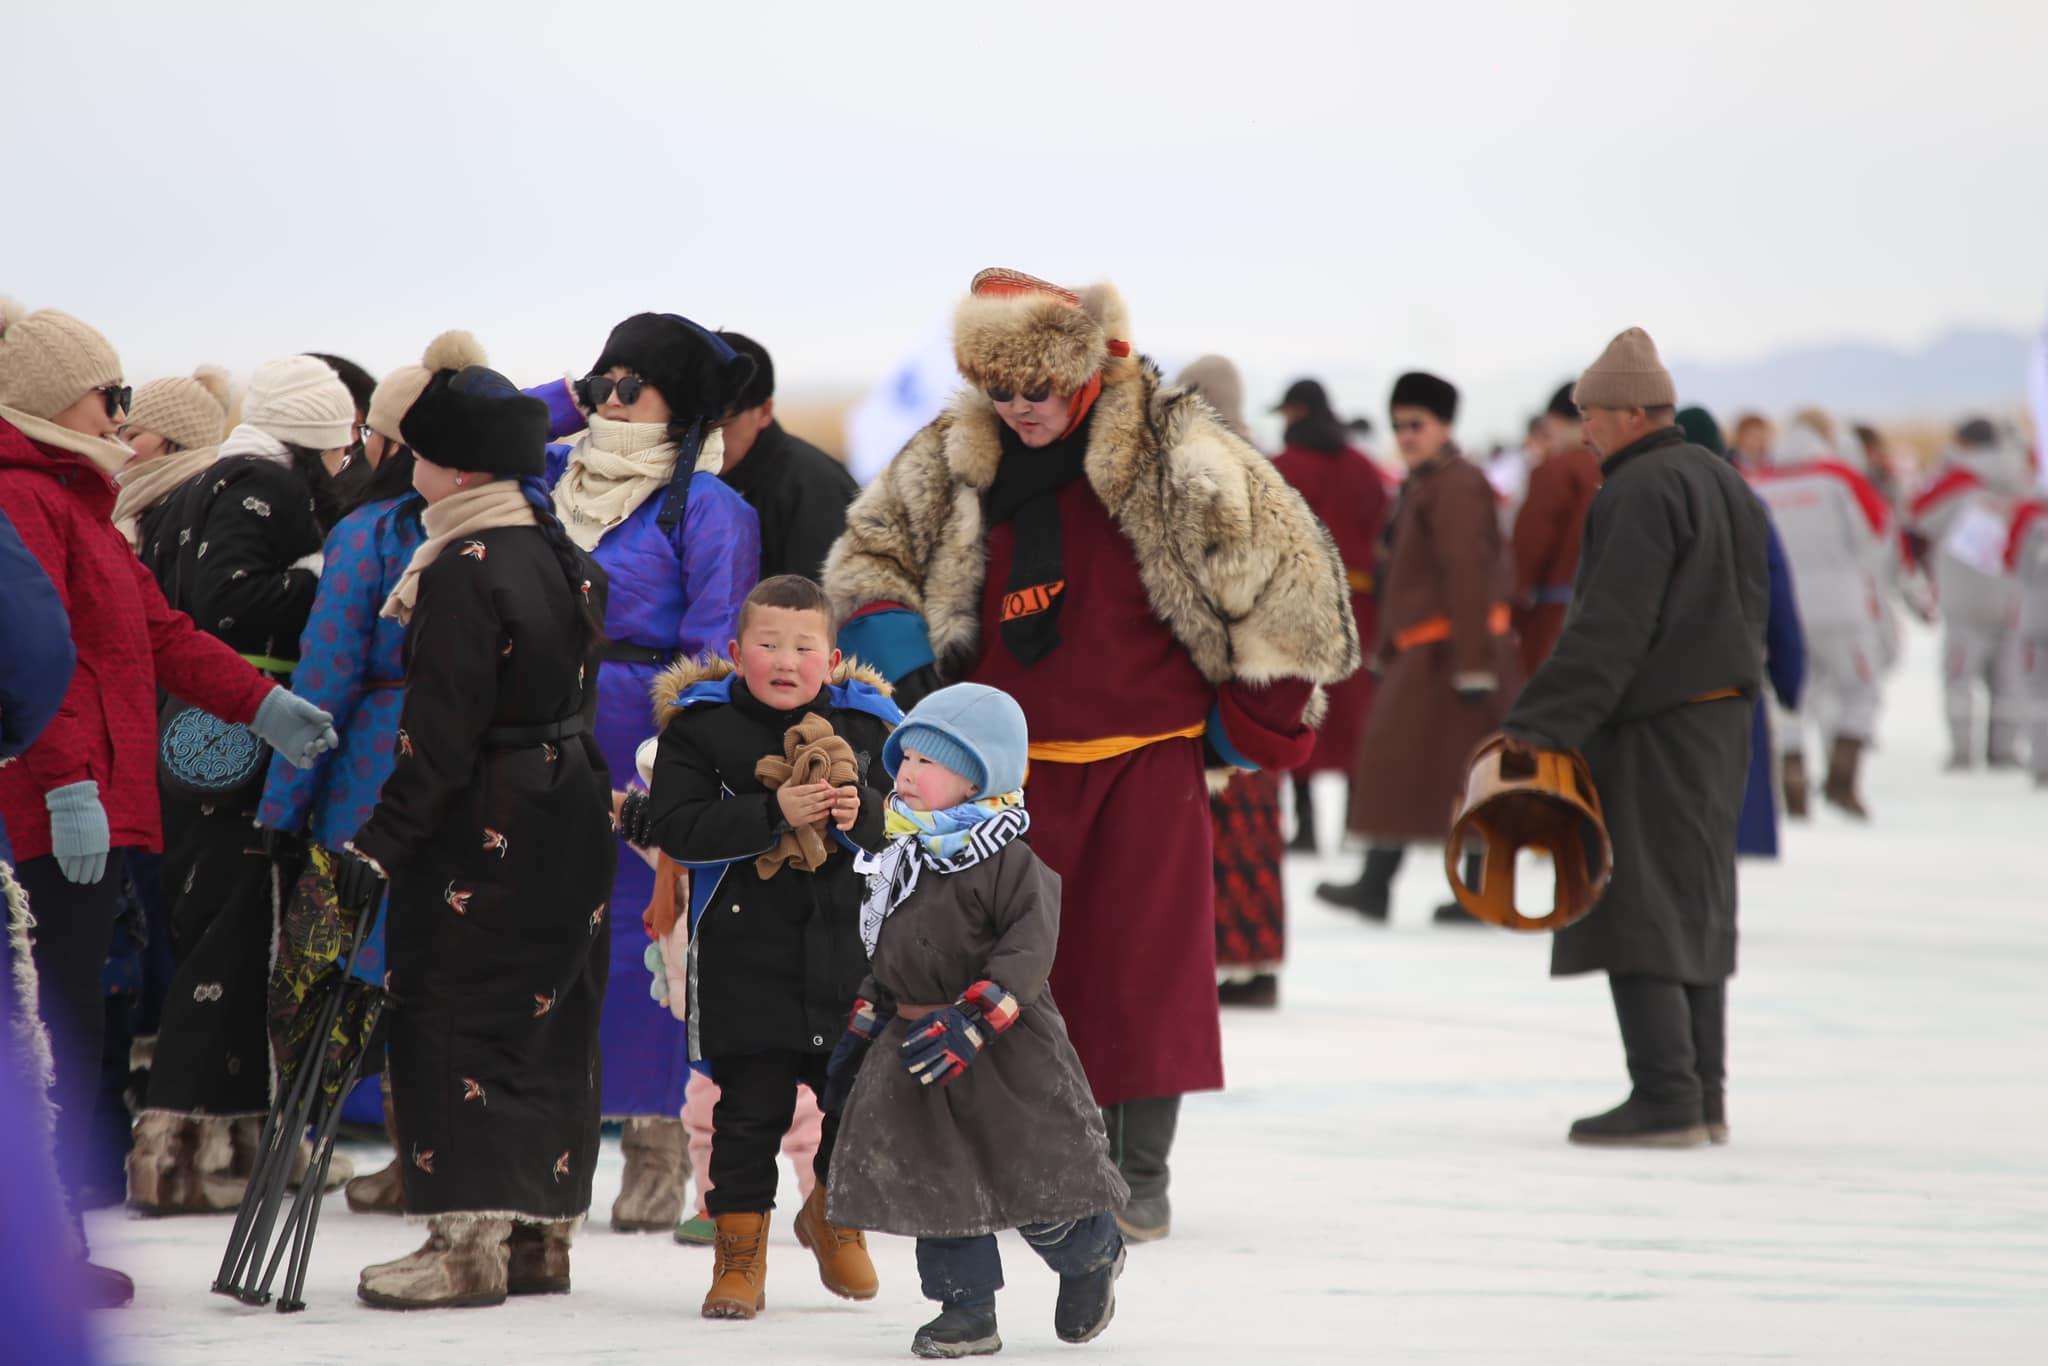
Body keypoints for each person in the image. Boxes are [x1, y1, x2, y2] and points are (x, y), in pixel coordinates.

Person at [826, 268, 1354, 1243]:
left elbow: (1292, 588)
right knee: (1015, 970)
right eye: (1000, 390)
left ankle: (1138, 1171)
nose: (1019, 409)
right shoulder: (950, 454)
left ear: (1079, 369)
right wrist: (917, 694)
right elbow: (870, 557)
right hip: (997, 776)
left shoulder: (1180, 452)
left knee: (1144, 971)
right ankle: (1041, 1163)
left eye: (1037, 389)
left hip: (1144, 758)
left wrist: (1246, 724)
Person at [0, 297, 336, 1305]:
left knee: (71, 1027)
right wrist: (64, 785)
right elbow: (28, 665)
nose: (121, 412)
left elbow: (161, 636)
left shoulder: (80, 507)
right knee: (42, 1028)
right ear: (56, 397)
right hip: (45, 814)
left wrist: (264, 702)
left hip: (99, 807)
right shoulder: (20, 500)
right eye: (110, 394)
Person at [330, 362, 613, 1310]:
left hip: (488, 810)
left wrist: (382, 838)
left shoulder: (461, 565)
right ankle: (538, 1239)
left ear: (452, 467)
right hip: (568, 800)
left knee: (456, 1009)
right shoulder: (555, 544)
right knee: (549, 1012)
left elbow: (440, 731)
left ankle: (463, 1249)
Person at [1504, 328, 1769, 1148]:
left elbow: (1609, 631)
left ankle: (1665, 1094)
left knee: (1642, 897)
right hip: (1722, 721)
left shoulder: (1639, 490)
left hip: (1654, 725)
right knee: (1697, 897)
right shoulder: (1722, 481)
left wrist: (1535, 725)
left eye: (1588, 414)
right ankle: (1704, 1094)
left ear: (1626, 412)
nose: (1582, 428)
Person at [526, 313, 760, 1232]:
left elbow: (715, 646)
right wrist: (567, 401)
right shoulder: (552, 479)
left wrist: (681, 760)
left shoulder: (708, 507)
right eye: (601, 383)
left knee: (644, 938)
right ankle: (550, 1138)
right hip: (541, 728)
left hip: (637, 741)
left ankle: (659, 1143)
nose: (611, 401)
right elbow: (467, 436)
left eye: (634, 386)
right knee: (542, 933)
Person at [619, 573, 898, 1319]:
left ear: (832, 660)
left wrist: (860, 811)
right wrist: (771, 811)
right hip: (744, 954)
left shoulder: (871, 727)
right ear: (737, 651)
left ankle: (837, 1215)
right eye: (768, 645)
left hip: (845, 954)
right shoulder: (700, 729)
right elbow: (676, 827)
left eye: (803, 647)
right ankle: (738, 1256)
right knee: (747, 1113)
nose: (785, 661)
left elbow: (907, 826)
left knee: (854, 1103)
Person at [823, 684, 1128, 1359]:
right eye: (903, 761)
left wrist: (976, 1020)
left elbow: (1029, 953)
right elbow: (893, 951)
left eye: (928, 764)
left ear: (977, 779)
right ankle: (966, 1311)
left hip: (1003, 1050)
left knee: (1030, 1172)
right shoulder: (903, 856)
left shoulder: (1012, 864)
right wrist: (868, 1019)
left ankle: (1088, 1253)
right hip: (920, 1050)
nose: (905, 774)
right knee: (940, 1185)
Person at [128, 354, 356, 1214]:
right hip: (239, 722)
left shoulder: (196, 480)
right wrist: (325, 577)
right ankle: (191, 1148)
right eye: (339, 451)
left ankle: (203, 1140)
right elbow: (227, 604)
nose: (343, 467)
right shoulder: (266, 483)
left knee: (206, 920)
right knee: (239, 924)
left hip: (183, 721)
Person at [255, 333, 474, 1217]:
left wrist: (281, 805)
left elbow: (327, 675)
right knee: (447, 964)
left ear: (388, 443)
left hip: (371, 766)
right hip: (479, 771)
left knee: (352, 964)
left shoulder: (369, 531)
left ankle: (341, 1138)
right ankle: (432, 1151)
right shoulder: (518, 524)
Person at [1318, 371, 1519, 925]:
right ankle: (1378, 883)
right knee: (1403, 769)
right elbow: (1404, 577)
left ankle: (1470, 891)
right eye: (1399, 425)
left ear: (1444, 426)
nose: (1405, 435)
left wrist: (1474, 663)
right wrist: (1385, 651)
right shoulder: (1424, 483)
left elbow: (1467, 572)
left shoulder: (1455, 485)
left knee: (1463, 775)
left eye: (1416, 425)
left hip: (1453, 656)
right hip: (1426, 653)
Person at [1180, 359, 1296, 1008]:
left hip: (1223, 677)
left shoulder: (1217, 479)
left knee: (1220, 831)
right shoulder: (1265, 476)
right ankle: (1254, 963)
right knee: (1248, 828)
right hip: (1263, 678)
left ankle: (1233, 962)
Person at [1746, 411, 1899, 816]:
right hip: (1842, 605)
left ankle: (1793, 779)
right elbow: (1879, 532)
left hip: (1781, 608)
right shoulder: (1841, 477)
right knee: (1860, 691)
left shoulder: (1760, 481)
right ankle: (1842, 781)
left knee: (1790, 695)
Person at [1267, 376, 1391, 858]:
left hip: (1299, 604)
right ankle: (1355, 823)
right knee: (1356, 714)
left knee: (1300, 706)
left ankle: (1306, 827)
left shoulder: (1283, 467)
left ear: (1296, 413)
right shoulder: (1362, 466)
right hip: (1360, 606)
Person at [1681, 407, 1806, 858]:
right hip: (1735, 674)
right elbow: (1779, 599)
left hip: (1671, 681)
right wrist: (1790, 676)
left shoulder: (1655, 503)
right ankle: (1714, 916)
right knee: (1730, 804)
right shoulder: (1749, 505)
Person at [1908, 418, 2030, 770]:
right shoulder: (2024, 478)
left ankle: (1963, 753)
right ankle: (2005, 751)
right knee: (2009, 679)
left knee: (1960, 678)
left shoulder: (1957, 480)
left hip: (1964, 595)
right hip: (2013, 594)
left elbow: (1917, 514)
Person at [716, 331, 861, 580]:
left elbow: (819, 607)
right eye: (689, 421)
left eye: (720, 422)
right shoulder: (674, 476)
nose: (702, 436)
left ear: (764, 411)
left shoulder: (814, 488)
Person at [1512, 383, 1604, 677]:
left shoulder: (1556, 471)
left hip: (1556, 621)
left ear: (1557, 420)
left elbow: (1528, 551)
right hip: (1612, 619)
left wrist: (1511, 610)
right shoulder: (1621, 469)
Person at [108, 365, 233, 548]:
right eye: (118, 437)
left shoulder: (213, 504)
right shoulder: (134, 504)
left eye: (133, 436)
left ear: (180, 437)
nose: (121, 447)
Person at [2007, 496, 2048, 787]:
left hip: (2036, 616)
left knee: (2038, 692)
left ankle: (2042, 761)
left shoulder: (2030, 516)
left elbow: (2012, 561)